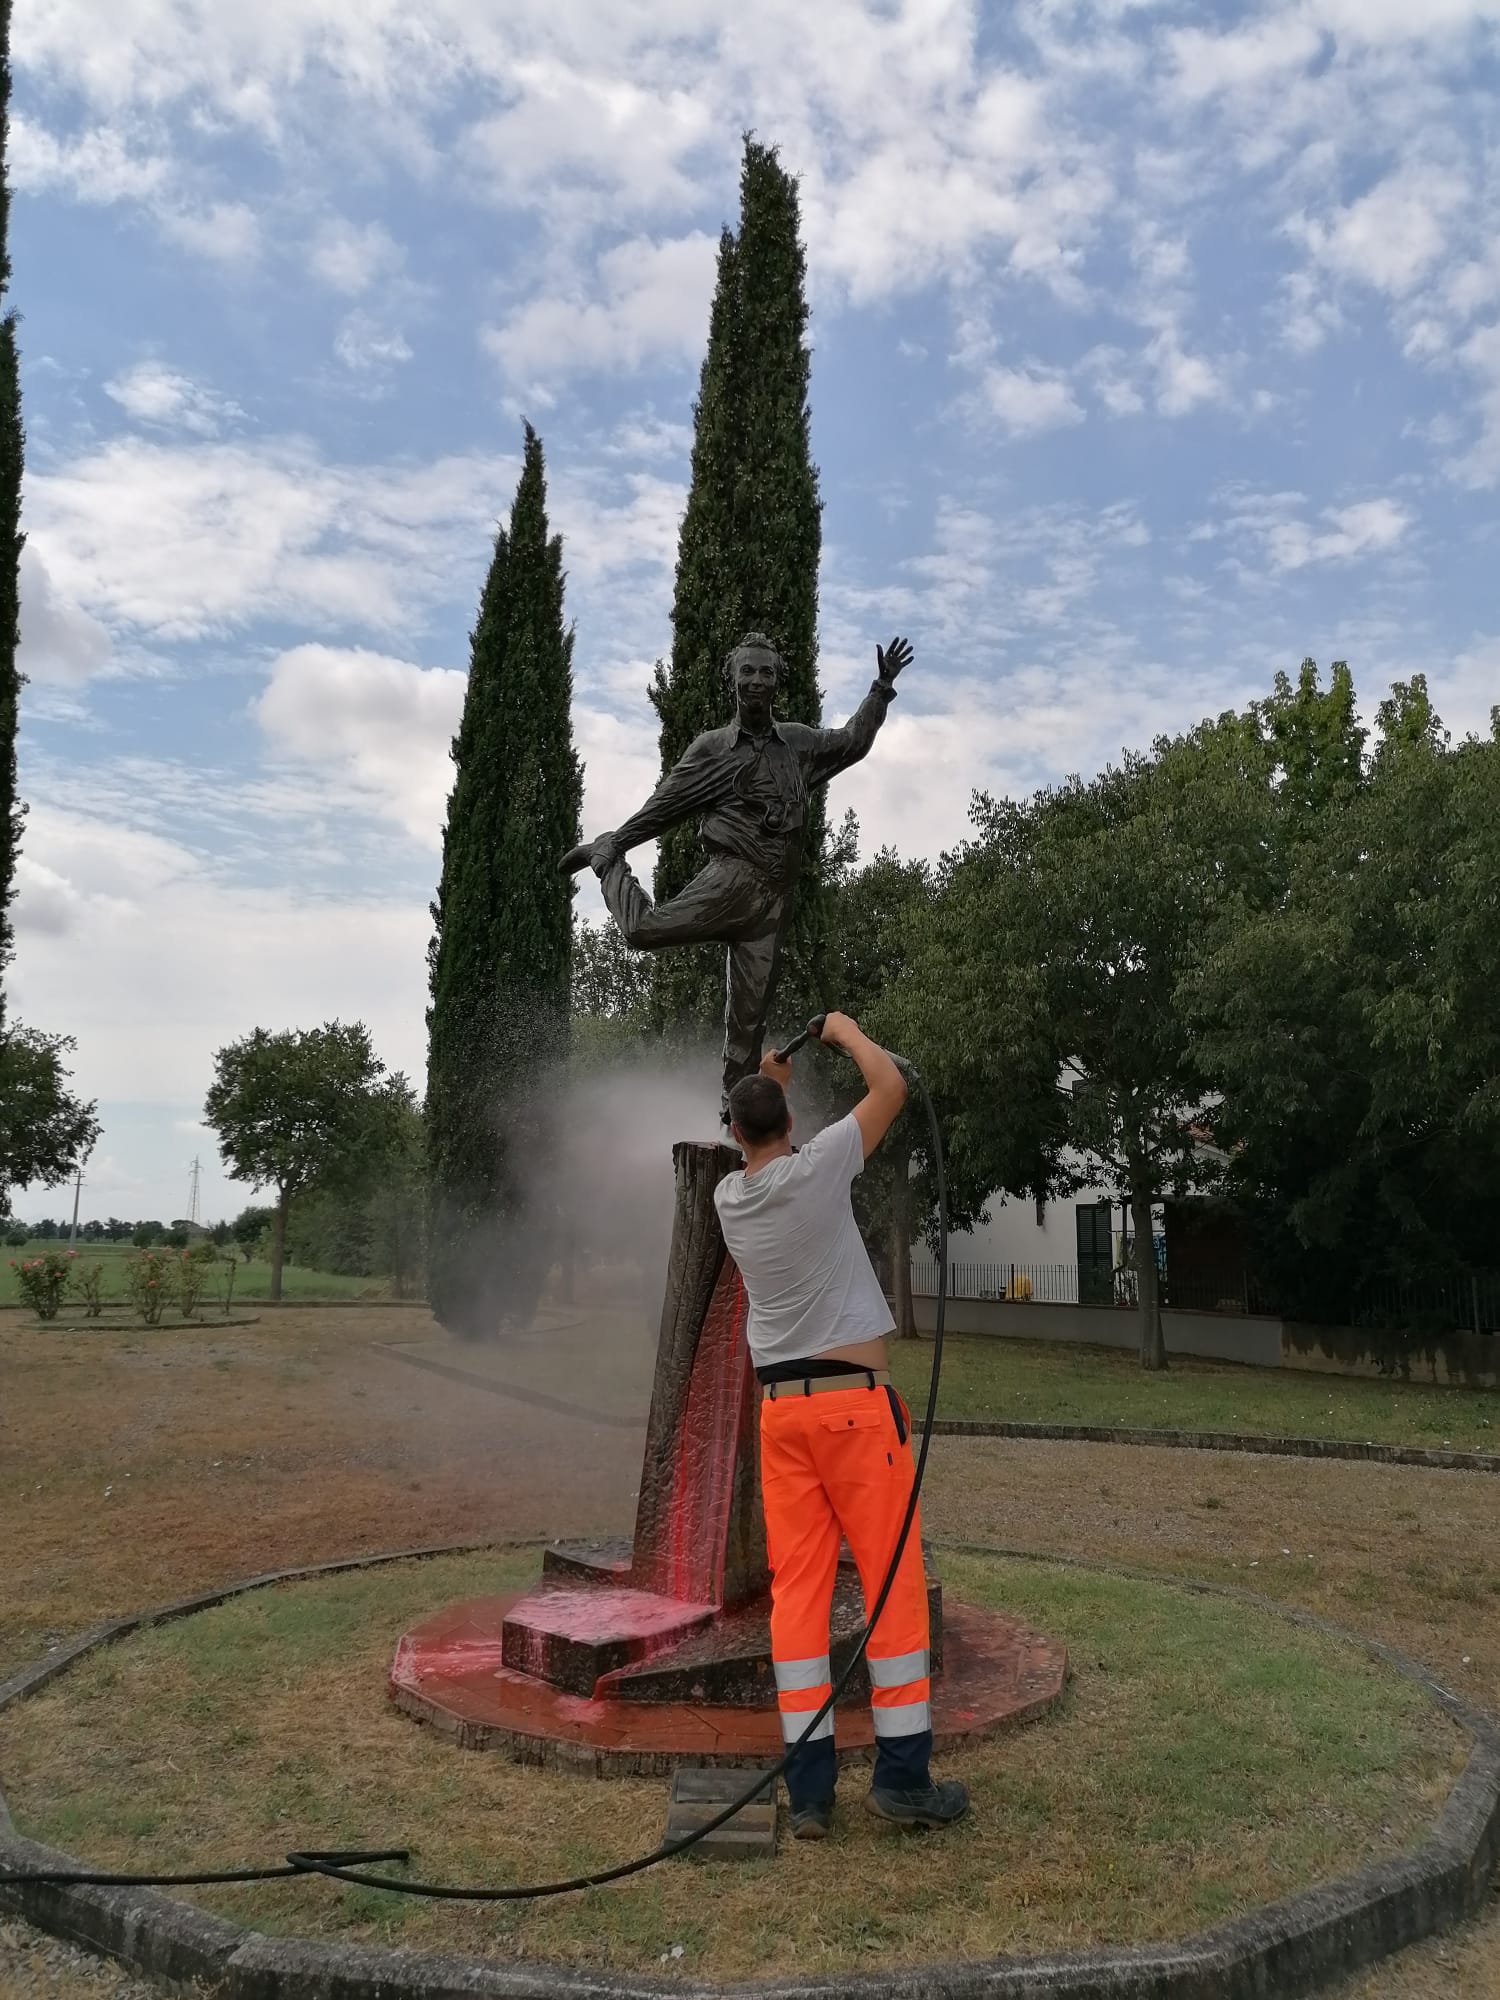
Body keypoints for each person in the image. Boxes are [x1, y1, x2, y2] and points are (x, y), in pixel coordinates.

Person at [713, 1010, 970, 1838]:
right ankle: (901, 1778)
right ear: (789, 1125)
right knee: (889, 1585)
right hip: (855, 1413)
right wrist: (847, 1033)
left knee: (799, 1598)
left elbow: (749, 1133)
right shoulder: (819, 1165)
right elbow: (890, 1084)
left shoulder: (729, 1198)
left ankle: (812, 1791)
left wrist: (767, 1084)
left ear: (738, 1132)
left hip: (780, 1420)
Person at [560, 633, 912, 1119]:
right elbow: (663, 808)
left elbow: (851, 743)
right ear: (732, 680)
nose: (757, 681)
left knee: (747, 1027)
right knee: (642, 929)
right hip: (731, 882)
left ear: (778, 681)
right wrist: (616, 844)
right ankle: (606, 863)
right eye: (747, 671)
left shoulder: (799, 745)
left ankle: (736, 1120)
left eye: (766, 672)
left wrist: (881, 688)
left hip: (772, 904)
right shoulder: (712, 750)